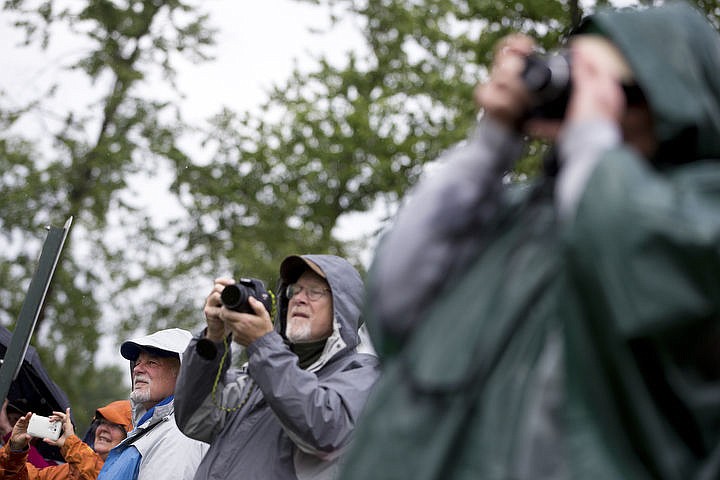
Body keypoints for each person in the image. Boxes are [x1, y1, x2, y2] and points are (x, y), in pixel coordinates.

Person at [340, 2, 720, 479]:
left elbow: (638, 259)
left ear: (671, 97)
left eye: (604, 83)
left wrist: (592, 138)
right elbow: (395, 304)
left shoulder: (701, 210)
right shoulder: (520, 219)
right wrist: (491, 145)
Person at [174, 254, 381, 479]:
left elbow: (325, 430)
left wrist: (263, 345)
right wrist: (212, 339)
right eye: (295, 290)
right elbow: (196, 419)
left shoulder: (364, 374)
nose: (300, 299)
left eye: (314, 291)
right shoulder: (259, 375)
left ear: (344, 308)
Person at [97, 328, 208, 480]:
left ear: (183, 373)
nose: (137, 369)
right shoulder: (153, 429)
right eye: (137, 362)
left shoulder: (180, 435)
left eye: (152, 362)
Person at [0, 400, 132, 480]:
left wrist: (71, 443)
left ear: (130, 436)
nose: (103, 428)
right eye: (101, 422)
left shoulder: (136, 472)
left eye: (115, 425)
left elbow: (101, 477)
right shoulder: (67, 470)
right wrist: (15, 450)